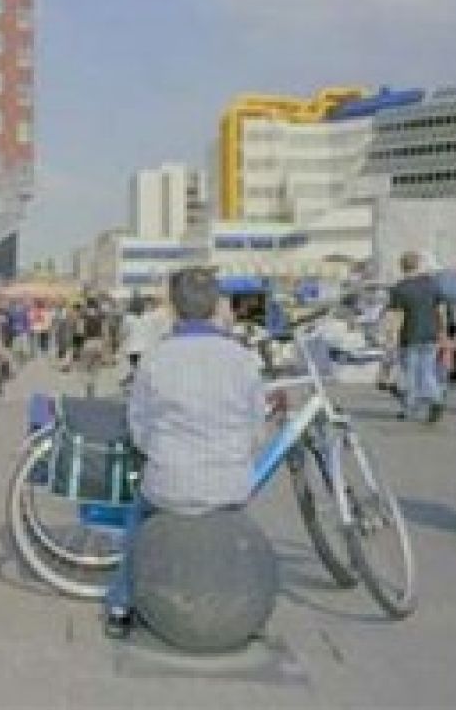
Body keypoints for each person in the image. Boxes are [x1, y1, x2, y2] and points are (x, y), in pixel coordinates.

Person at [105, 267, 265, 638]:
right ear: (216, 308)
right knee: (234, 506)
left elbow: (139, 428)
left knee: (137, 520)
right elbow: (256, 430)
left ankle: (120, 602)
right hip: (229, 485)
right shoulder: (243, 360)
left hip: (169, 483)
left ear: (174, 310)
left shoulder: (155, 359)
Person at [387, 252, 449, 422]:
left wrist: (391, 339)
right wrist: (442, 332)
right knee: (427, 371)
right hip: (431, 335)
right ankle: (436, 397)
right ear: (419, 265)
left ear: (402, 266)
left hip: (409, 336)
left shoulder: (399, 289)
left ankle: (409, 409)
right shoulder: (432, 285)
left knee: (410, 374)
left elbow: (397, 317)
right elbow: (441, 311)